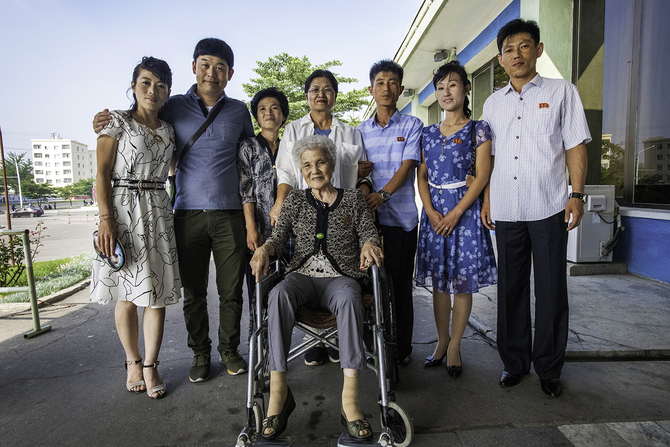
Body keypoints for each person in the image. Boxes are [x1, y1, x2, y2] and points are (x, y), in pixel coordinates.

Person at [94, 38, 254, 383]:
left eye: (220, 67)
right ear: (195, 66)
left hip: (230, 216)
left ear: (229, 75)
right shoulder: (172, 105)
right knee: (193, 292)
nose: (212, 72)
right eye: (206, 64)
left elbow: (248, 162)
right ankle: (200, 353)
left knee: (231, 291)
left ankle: (229, 350)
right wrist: (103, 120)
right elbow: (139, 121)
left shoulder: (240, 111)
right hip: (184, 214)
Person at [482, 19, 590, 397]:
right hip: (507, 209)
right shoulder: (492, 103)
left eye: (524, 46)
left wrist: (576, 194)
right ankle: (514, 363)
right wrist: (487, 200)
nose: (517, 55)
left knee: (550, 290)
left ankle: (548, 367)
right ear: (500, 59)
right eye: (509, 49)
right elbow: (488, 158)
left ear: (538, 50)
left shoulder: (562, 92)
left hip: (548, 206)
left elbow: (576, 145)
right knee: (510, 290)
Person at [250, 135, 383, 440]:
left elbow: (368, 233)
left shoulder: (352, 198)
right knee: (278, 294)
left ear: (332, 165)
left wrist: (369, 246)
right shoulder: (295, 200)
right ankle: (279, 394)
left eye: (320, 162)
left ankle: (350, 401)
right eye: (307, 164)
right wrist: (264, 250)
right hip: (303, 277)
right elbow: (278, 238)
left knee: (351, 299)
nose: (314, 169)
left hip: (341, 279)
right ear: (300, 169)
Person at [90, 56, 181, 400]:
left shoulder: (169, 129)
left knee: (155, 297)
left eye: (160, 85)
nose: (152, 90)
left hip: (158, 210)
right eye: (145, 83)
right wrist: (105, 219)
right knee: (126, 294)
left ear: (168, 92)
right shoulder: (115, 121)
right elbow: (100, 174)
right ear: (133, 85)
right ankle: (132, 361)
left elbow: (173, 169)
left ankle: (151, 365)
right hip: (122, 210)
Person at [271, 69, 370, 366]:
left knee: (338, 274)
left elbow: (364, 174)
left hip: (344, 218)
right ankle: (313, 338)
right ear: (306, 96)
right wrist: (280, 204)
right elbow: (286, 174)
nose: (321, 94)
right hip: (303, 215)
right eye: (315, 89)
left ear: (335, 96)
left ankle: (337, 338)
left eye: (327, 89)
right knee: (306, 267)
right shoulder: (293, 130)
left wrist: (362, 204)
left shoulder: (351, 133)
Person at [415, 61, 498, 378]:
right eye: (440, 87)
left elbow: (481, 176)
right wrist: (432, 211)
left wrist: (456, 212)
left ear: (465, 89)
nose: (446, 92)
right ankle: (441, 341)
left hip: (464, 214)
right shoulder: (426, 134)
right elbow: (421, 176)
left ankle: (455, 347)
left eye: (453, 85)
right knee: (439, 283)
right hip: (434, 215)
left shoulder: (479, 129)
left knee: (462, 284)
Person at [357, 60, 423, 365]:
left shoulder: (412, 126)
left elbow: (408, 166)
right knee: (372, 289)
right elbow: (356, 172)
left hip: (402, 222)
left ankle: (403, 350)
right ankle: (376, 348)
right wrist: (362, 181)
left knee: (399, 289)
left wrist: (382, 195)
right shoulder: (359, 132)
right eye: (380, 83)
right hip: (369, 225)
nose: (386, 88)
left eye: (392, 82)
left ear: (400, 88)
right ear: (371, 89)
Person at [237, 87, 290, 298]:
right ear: (257, 116)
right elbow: (245, 191)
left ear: (283, 115)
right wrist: (251, 228)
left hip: (289, 233)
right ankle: (260, 332)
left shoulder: (291, 145)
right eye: (263, 109)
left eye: (275, 108)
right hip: (259, 231)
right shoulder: (247, 147)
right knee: (259, 294)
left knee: (287, 295)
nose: (269, 113)